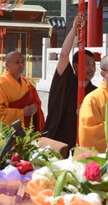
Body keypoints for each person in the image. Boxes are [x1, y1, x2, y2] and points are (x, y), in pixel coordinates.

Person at [44, 13, 97, 149]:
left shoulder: (95, 92)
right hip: (59, 140)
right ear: (75, 65)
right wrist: (74, 29)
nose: (90, 68)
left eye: (93, 65)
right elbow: (63, 55)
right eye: (86, 63)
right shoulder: (66, 80)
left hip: (85, 143)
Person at [0, 51, 44, 132]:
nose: (21, 66)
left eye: (23, 62)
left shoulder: (26, 82)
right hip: (10, 130)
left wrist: (34, 108)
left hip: (28, 127)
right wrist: (22, 113)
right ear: (7, 65)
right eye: (17, 62)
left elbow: (36, 100)